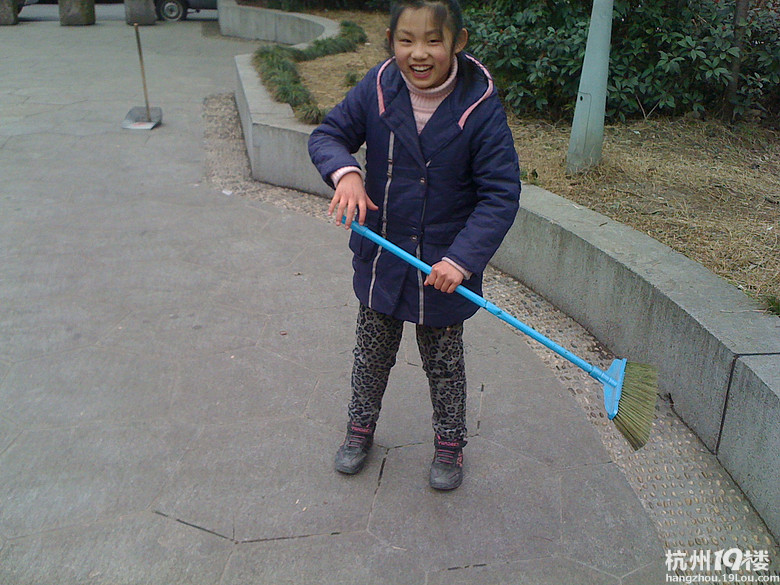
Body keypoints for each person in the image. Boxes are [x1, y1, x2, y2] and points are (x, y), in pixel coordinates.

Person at [308, 0, 520, 491]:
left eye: (432, 40)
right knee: (371, 355)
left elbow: (500, 193)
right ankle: (360, 429)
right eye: (406, 40)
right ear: (390, 41)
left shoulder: (480, 108)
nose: (418, 53)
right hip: (383, 256)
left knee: (444, 365)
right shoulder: (379, 87)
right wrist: (346, 173)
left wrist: (462, 260)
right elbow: (328, 135)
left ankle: (450, 442)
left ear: (458, 42)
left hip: (442, 268)